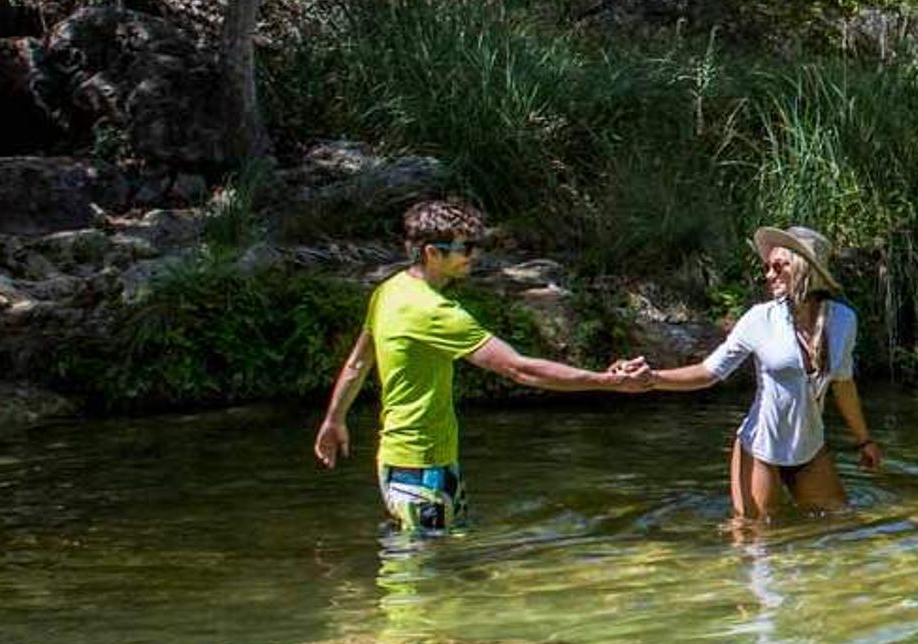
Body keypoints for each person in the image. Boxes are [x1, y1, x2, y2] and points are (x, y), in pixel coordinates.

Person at [314, 198, 649, 531]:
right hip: (422, 469)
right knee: (421, 562)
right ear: (432, 253)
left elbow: (357, 364)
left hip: (403, 462)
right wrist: (607, 381)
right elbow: (519, 369)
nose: (474, 255)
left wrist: (334, 419)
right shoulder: (435, 312)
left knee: (442, 553)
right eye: (465, 248)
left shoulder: (389, 291)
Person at [639, 225, 882, 520]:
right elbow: (709, 372)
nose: (769, 275)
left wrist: (864, 440)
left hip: (809, 448)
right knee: (755, 537)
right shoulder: (759, 319)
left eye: (779, 266)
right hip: (760, 449)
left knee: (840, 522)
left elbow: (843, 384)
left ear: (805, 268)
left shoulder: (843, 320)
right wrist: (653, 378)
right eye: (767, 267)